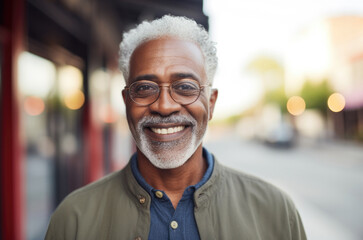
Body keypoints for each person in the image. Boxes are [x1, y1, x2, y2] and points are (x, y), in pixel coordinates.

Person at [45, 15, 306, 240]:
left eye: (185, 87)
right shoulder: (74, 219)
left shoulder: (275, 211)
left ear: (211, 103)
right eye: (145, 88)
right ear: (126, 103)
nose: (165, 106)